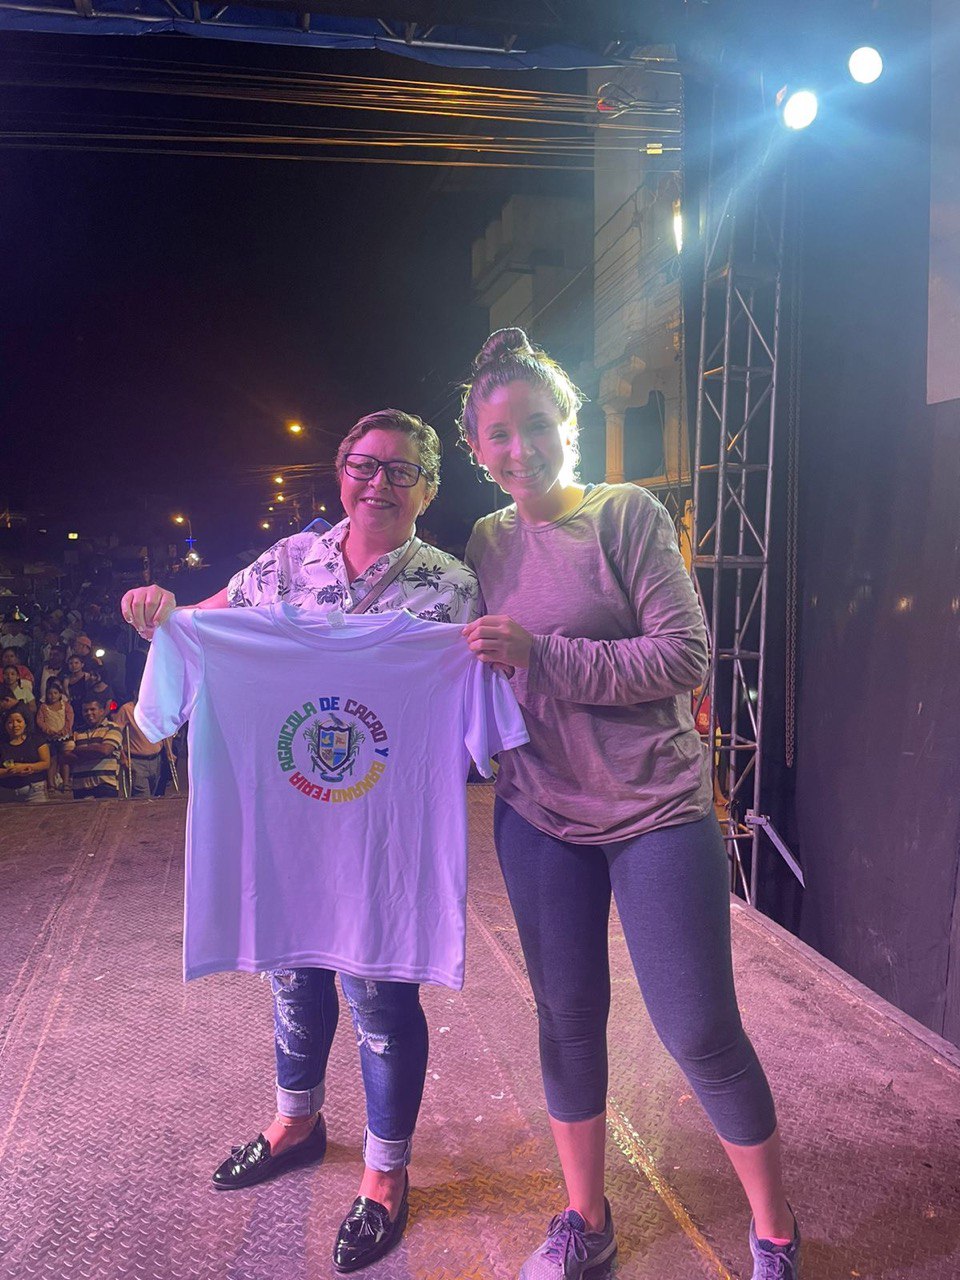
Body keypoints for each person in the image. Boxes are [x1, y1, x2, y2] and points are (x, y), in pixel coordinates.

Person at [459, 329, 799, 1280]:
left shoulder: (628, 515)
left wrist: (543, 656)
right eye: (499, 434)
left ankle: (775, 1232)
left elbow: (684, 657)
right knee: (565, 1020)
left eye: (536, 424)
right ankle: (586, 1220)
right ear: (477, 449)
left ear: (569, 424)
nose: (520, 447)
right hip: (538, 813)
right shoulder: (485, 542)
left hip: (655, 809)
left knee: (698, 1030)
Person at [121, 409, 481, 1273]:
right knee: (292, 974)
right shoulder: (287, 561)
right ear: (340, 474)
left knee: (380, 996)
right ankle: (297, 1122)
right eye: (363, 465)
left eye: (401, 470)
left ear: (429, 488)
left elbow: (476, 719)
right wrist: (161, 614)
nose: (378, 484)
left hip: (385, 838)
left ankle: (385, 1174)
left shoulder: (450, 589)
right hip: (288, 828)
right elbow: (202, 626)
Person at [64, 695, 122, 800]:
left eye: (92, 709)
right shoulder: (76, 731)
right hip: (80, 787)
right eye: (85, 710)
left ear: (102, 711)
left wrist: (78, 750)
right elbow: (66, 756)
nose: (89, 713)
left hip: (105, 785)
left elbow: (105, 750)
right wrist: (95, 751)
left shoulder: (112, 728)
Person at [112, 699, 164, 797]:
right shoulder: (127, 709)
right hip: (136, 761)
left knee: (154, 794)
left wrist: (169, 752)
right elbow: (115, 734)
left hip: (156, 759)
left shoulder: (156, 707)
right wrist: (122, 756)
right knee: (143, 797)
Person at [0, 709, 49, 804]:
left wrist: (25, 767)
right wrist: (11, 771)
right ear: (5, 725)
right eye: (10, 722)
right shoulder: (2, 744)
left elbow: (46, 763)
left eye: (19, 721)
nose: (15, 725)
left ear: (25, 723)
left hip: (34, 792)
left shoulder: (37, 740)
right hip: (6, 793)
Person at [36, 679, 74, 793]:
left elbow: (69, 719)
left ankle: (66, 782)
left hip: (64, 737)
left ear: (60, 694)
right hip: (50, 738)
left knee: (65, 760)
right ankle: (51, 784)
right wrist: (48, 730)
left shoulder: (66, 706)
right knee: (52, 761)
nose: (52, 696)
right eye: (50, 693)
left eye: (55, 693)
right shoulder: (43, 707)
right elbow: (40, 721)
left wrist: (64, 730)